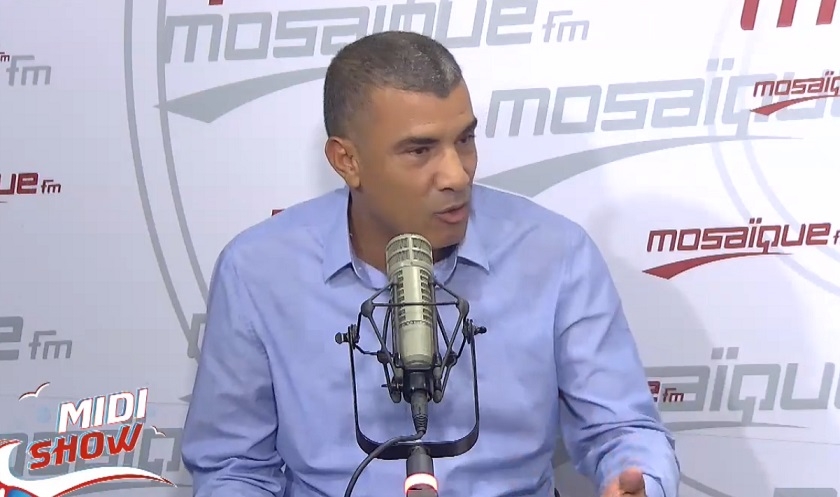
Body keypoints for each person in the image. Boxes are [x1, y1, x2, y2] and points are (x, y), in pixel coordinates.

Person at [181, 31, 680, 497]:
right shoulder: (258, 271)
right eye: (420, 150)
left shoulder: (556, 254)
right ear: (347, 161)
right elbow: (234, 467)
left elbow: (622, 429)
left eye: (464, 140)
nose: (457, 175)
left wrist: (642, 481)